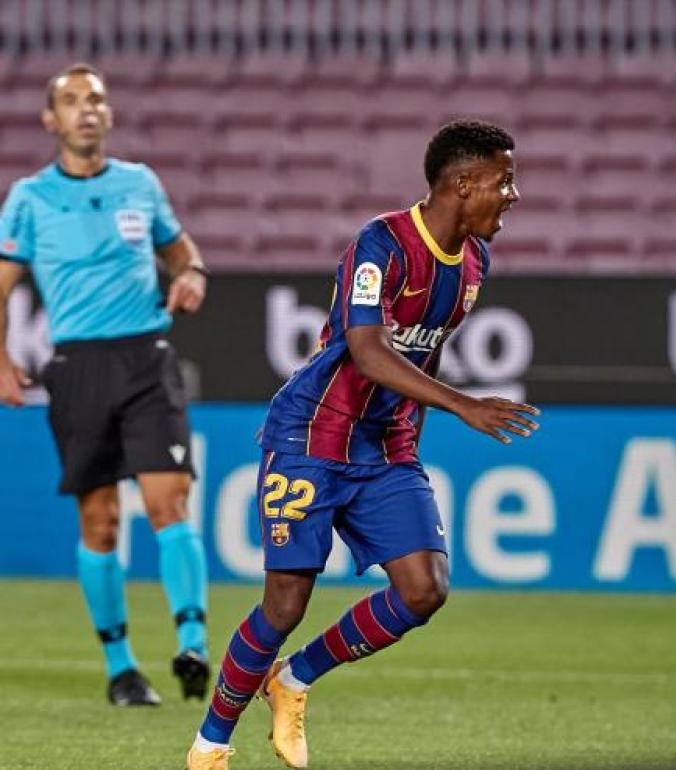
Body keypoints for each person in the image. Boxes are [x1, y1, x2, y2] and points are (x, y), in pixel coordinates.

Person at [185, 119, 539, 770]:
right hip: (312, 433)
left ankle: (292, 680)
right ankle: (209, 747)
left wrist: (414, 438)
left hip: (384, 446)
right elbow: (368, 350)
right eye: (504, 180)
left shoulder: (475, 264)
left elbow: (424, 353)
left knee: (424, 589)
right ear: (463, 183)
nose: (513, 194)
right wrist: (465, 405)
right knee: (285, 601)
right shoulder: (381, 244)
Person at [0, 63, 211, 706]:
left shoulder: (140, 184)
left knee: (168, 500)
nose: (86, 108)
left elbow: (179, 250)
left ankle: (193, 643)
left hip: (147, 356)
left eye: (95, 98)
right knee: (101, 521)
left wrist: (193, 272)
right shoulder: (30, 199)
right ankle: (122, 668)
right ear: (50, 121)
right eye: (70, 100)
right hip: (79, 366)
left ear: (109, 115)